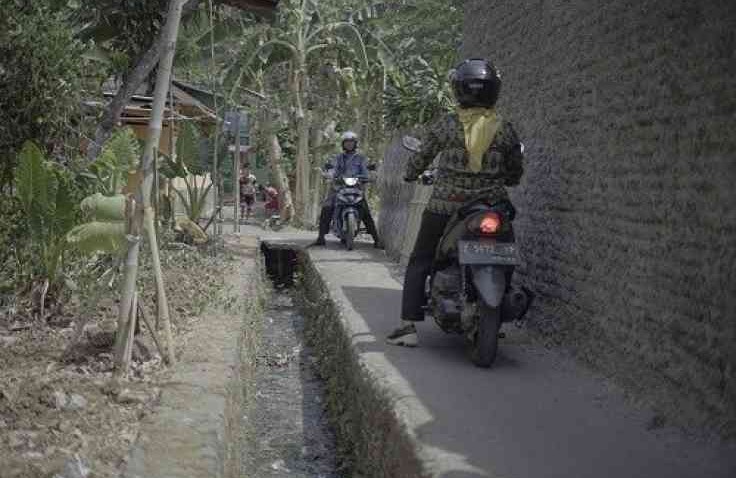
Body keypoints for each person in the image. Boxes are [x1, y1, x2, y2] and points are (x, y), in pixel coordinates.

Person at [386, 58, 525, 347]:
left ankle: (408, 327)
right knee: (506, 253)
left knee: (421, 259)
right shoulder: (505, 129)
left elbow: (420, 158)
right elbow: (514, 172)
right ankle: (497, 308)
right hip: (493, 207)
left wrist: (411, 174)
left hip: (445, 208)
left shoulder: (445, 126)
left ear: (458, 90)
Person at [314, 131, 382, 248]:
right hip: (338, 188)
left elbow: (366, 171)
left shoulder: (361, 158)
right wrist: (330, 174)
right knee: (327, 207)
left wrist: (370, 176)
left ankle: (376, 239)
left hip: (356, 189)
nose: (349, 145)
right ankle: (321, 237)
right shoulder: (338, 158)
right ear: (343, 144)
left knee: (365, 210)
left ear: (355, 144)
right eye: (347, 143)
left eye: (351, 142)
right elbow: (332, 169)